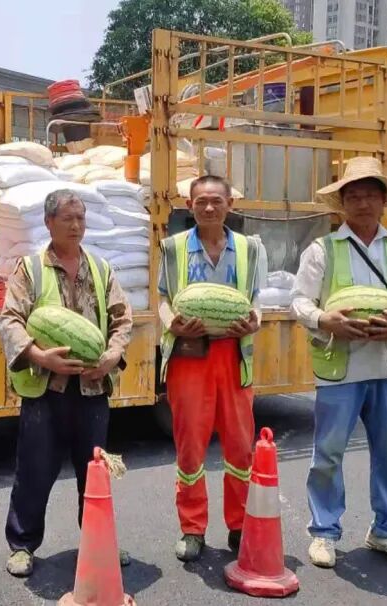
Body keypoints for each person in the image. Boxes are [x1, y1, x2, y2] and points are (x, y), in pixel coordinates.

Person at [292, 157, 387, 568]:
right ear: (342, 203)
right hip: (340, 365)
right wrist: (325, 319)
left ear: (383, 200)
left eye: (370, 195)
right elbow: (300, 300)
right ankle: (323, 531)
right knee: (328, 453)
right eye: (353, 195)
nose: (362, 202)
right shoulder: (322, 249)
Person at [0, 189, 133, 577]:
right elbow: (9, 319)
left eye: (81, 218)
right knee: (34, 471)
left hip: (93, 390)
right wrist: (38, 356)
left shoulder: (101, 268)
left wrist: (110, 356)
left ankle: (100, 541)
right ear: (48, 223)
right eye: (67, 219)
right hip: (46, 390)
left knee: (94, 472)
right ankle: (22, 545)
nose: (76, 225)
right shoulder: (31, 269)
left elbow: (123, 319)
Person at [157, 175, 268, 562]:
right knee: (190, 448)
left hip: (234, 356)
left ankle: (238, 525)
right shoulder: (171, 249)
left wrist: (255, 320)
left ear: (229, 204)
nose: (208, 207)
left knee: (240, 447)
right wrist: (171, 321)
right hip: (190, 358)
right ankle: (192, 528)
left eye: (215, 201)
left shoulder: (251, 249)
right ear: (190, 206)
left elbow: (257, 300)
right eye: (200, 201)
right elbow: (162, 299)